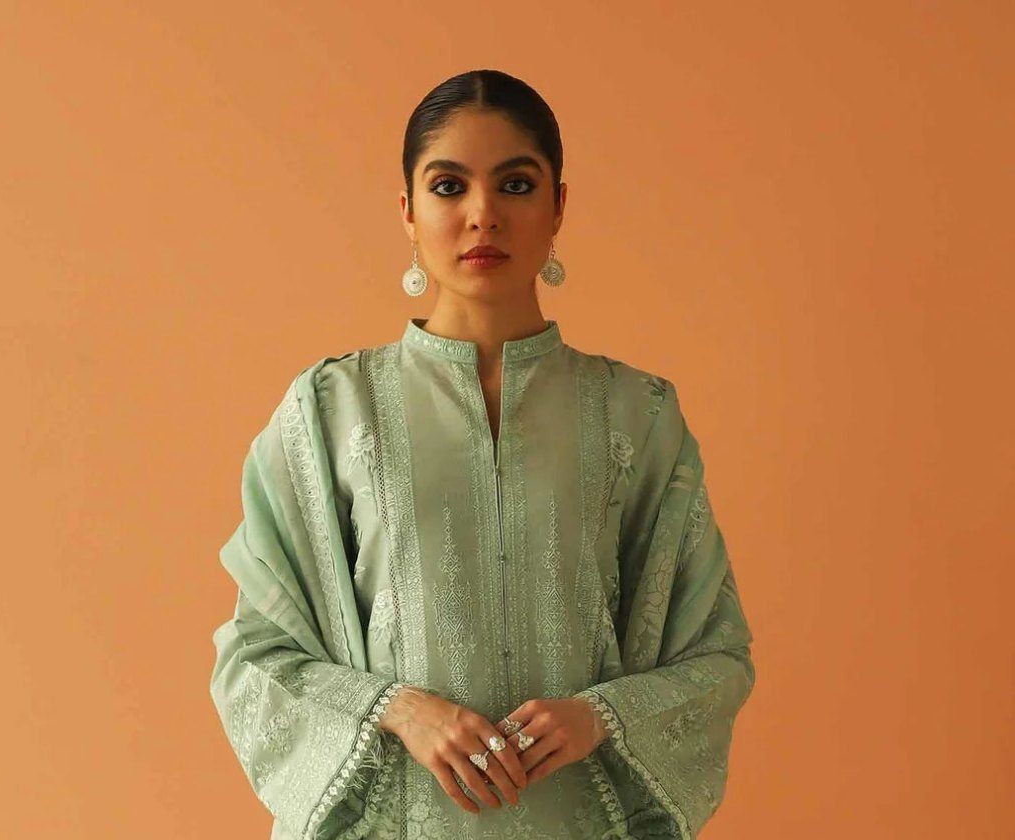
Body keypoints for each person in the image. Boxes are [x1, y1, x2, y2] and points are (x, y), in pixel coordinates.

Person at [208, 69, 757, 839]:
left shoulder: (637, 414)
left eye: (516, 184)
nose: (482, 215)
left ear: (558, 205)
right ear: (407, 211)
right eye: (448, 186)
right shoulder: (332, 411)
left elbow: (714, 653)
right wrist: (397, 709)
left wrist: (600, 716)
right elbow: (258, 652)